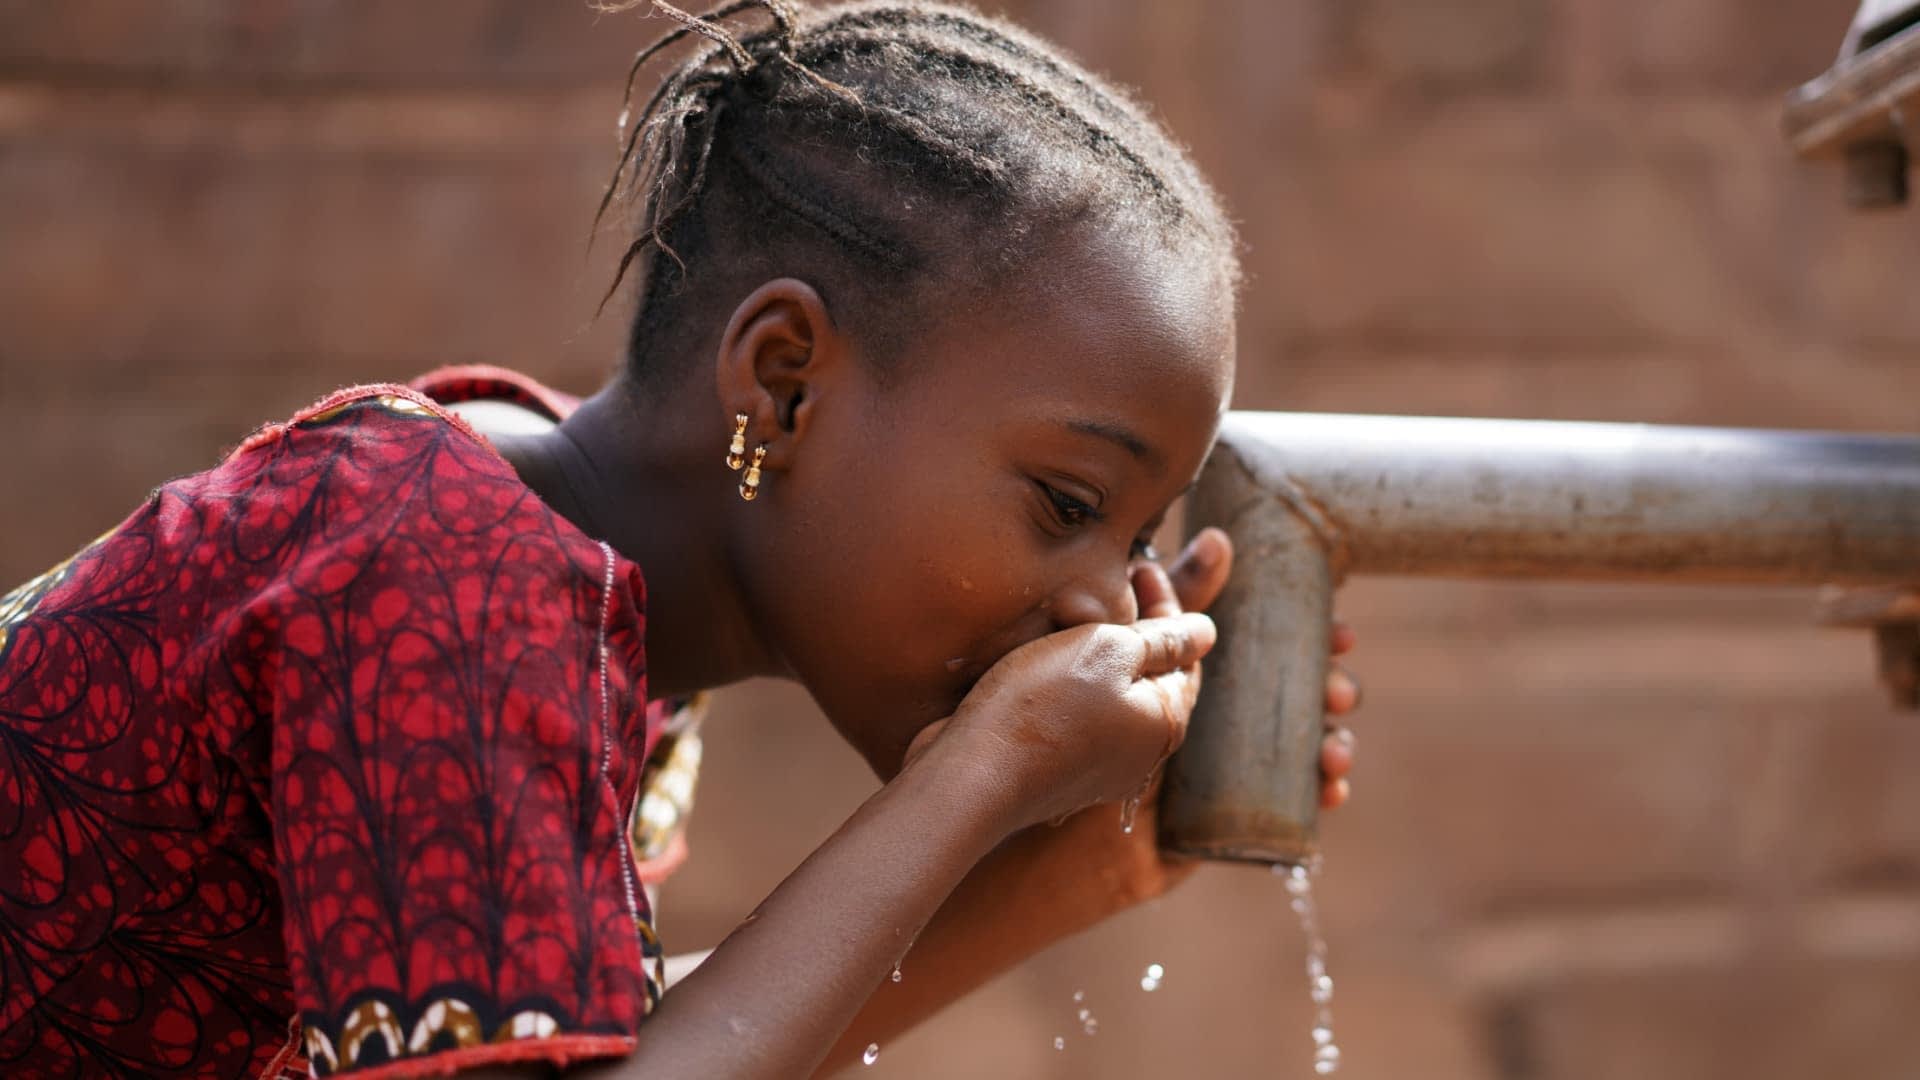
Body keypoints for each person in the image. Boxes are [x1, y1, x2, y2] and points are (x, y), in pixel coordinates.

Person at [0, 2, 1363, 1077]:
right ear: (783, 379)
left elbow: (603, 1053)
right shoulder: (447, 574)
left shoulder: (583, 596)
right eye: (1069, 506)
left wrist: (1071, 863)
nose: (1099, 606)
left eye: (1136, 536)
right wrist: (987, 770)